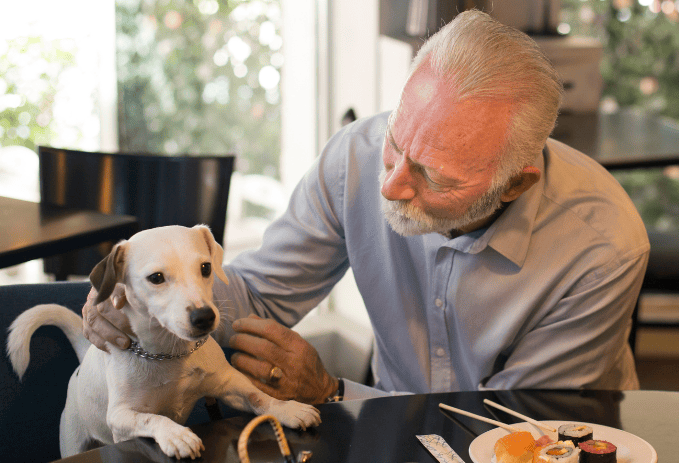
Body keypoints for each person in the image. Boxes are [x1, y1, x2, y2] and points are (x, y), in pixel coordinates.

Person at [83, 10, 649, 404]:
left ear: (514, 186)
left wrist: (332, 394)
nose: (392, 186)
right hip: (388, 420)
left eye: (432, 175)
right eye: (397, 144)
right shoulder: (354, 158)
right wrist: (141, 300)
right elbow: (256, 299)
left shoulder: (603, 247)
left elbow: (511, 430)